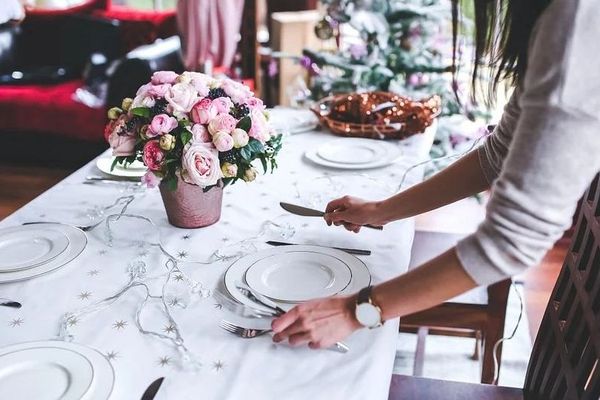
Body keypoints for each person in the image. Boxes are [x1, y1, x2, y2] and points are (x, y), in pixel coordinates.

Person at [271, 0, 600, 349]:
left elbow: (511, 241)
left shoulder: (578, 20)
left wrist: (357, 311)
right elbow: (498, 154)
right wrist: (380, 211)